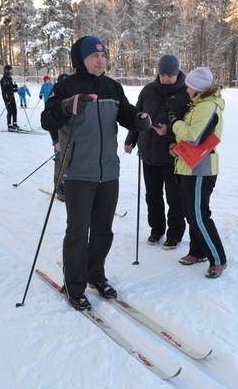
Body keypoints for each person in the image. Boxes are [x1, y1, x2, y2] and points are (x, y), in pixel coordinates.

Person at [41, 36, 156, 311]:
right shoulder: (65, 86)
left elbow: (126, 113)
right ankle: (74, 284)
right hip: (79, 172)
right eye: (94, 56)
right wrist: (68, 105)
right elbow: (47, 121)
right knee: (78, 233)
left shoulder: (112, 87)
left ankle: (95, 275)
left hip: (109, 172)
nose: (100, 60)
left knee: (103, 231)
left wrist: (139, 120)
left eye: (103, 55)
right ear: (81, 59)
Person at [124, 54, 190, 250]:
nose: (165, 79)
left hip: (172, 156)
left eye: (170, 75)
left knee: (174, 197)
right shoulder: (148, 90)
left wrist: (168, 131)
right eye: (162, 75)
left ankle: (175, 234)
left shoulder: (187, 93)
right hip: (148, 153)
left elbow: (189, 126)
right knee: (152, 195)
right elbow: (137, 117)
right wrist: (131, 140)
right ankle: (157, 230)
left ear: (177, 73)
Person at [169, 67, 228, 279]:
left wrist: (176, 124)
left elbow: (194, 137)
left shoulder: (207, 106)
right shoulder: (199, 105)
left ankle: (218, 259)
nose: (186, 90)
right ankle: (198, 251)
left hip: (201, 170)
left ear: (197, 88)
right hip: (190, 166)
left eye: (189, 87)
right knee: (192, 213)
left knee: (199, 216)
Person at [39, 75, 65, 200]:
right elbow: (50, 123)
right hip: (60, 139)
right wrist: (56, 140)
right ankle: (59, 189)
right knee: (60, 162)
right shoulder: (55, 100)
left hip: (74, 139)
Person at [0, 65, 20, 131]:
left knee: (14, 109)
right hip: (7, 97)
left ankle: (15, 123)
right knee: (10, 111)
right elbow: (4, 90)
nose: (11, 72)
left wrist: (15, 87)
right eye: (10, 70)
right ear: (6, 71)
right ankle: (9, 125)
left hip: (12, 95)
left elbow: (11, 87)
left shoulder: (10, 78)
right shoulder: (3, 80)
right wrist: (11, 91)